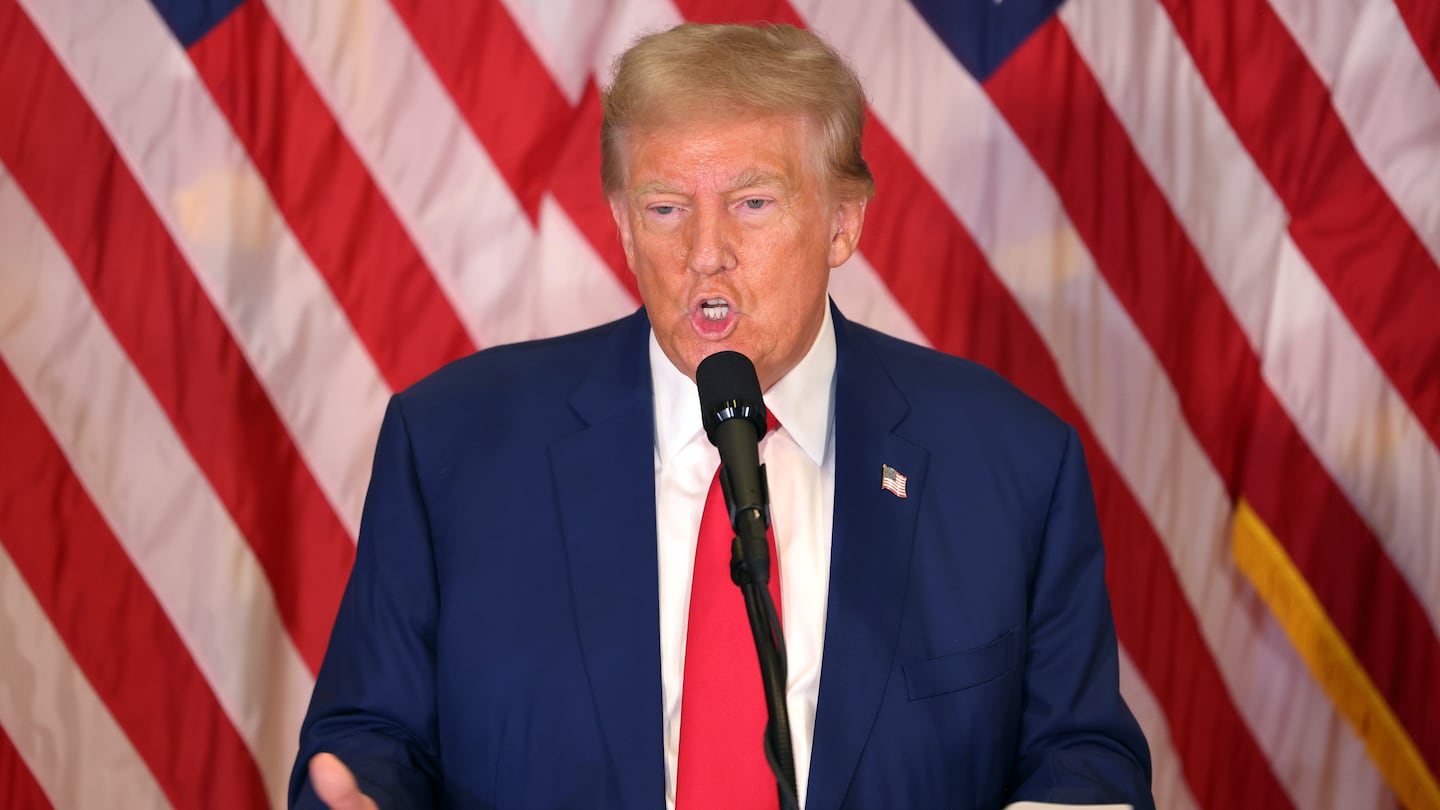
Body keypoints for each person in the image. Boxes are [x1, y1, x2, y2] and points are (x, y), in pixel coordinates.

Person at [290, 22, 1153, 810]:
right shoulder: (454, 449)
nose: (705, 253)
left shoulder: (1009, 465)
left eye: (753, 203)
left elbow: (1083, 758)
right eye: (666, 208)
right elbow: (370, 743)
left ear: (843, 223)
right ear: (625, 227)